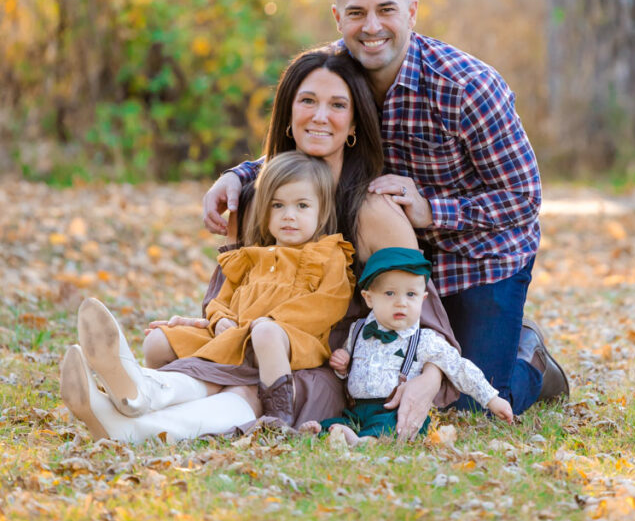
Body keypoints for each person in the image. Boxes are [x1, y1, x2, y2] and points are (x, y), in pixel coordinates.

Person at [203, 0, 569, 419]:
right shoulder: (338, 71)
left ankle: (528, 352)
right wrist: (239, 175)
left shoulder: (467, 87)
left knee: (471, 404)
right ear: (338, 17)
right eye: (356, 12)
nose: (371, 26)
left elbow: (523, 199)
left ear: (412, 12)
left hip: (479, 256)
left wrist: (432, 211)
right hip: (389, 248)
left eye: (386, 10)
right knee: (373, 377)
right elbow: (314, 138)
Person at [142, 48, 457, 441]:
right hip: (246, 346)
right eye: (307, 101)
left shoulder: (375, 212)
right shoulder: (256, 198)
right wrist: (211, 321)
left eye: (337, 105)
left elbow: (422, 317)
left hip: (329, 366)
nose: (320, 116)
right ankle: (132, 402)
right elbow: (227, 292)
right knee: (189, 357)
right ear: (288, 116)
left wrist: (427, 380)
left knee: (245, 387)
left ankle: (141, 429)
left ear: (354, 122)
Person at [60, 152, 357, 440]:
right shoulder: (249, 257)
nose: (288, 216)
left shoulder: (328, 255)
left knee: (264, 333)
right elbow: (222, 299)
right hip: (235, 338)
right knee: (159, 339)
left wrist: (266, 323)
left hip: (287, 343)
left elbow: (327, 304)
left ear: (322, 212)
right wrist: (222, 319)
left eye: (302, 206)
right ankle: (139, 390)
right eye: (278, 206)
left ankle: (137, 420)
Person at [300, 247, 513, 446]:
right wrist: (342, 366)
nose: (401, 302)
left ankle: (364, 442)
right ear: (369, 298)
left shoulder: (425, 339)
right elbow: (353, 367)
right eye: (390, 293)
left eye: (411, 295)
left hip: (397, 409)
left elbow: (459, 368)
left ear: (423, 299)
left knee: (389, 427)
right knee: (340, 419)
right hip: (358, 407)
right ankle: (325, 431)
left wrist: (492, 399)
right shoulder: (358, 330)